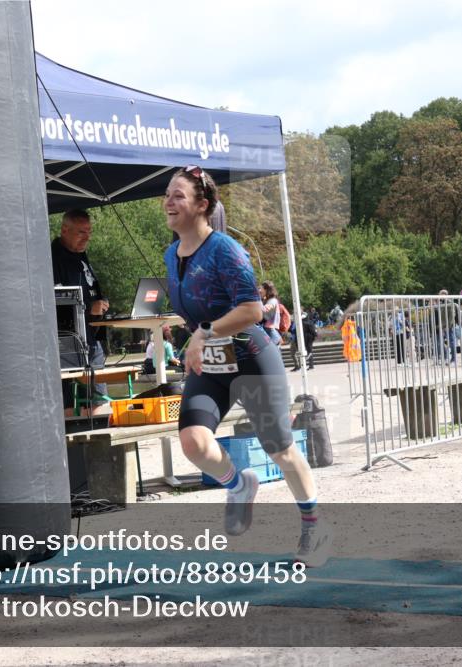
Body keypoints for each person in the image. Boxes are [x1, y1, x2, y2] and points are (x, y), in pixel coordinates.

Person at [162, 165, 330, 566]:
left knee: (281, 449)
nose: (169, 201)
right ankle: (238, 484)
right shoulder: (171, 254)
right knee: (193, 443)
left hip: (251, 358)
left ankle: (314, 529)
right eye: (167, 194)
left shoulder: (225, 249)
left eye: (179, 195)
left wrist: (204, 332)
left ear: (203, 206)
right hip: (211, 366)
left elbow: (253, 310)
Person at [52, 209, 110, 416]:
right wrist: (87, 307)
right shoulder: (52, 256)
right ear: (65, 230)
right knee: (66, 400)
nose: (87, 237)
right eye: (81, 232)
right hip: (66, 341)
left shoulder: (81, 254)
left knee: (100, 397)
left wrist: (102, 302)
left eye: (89, 232)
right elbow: (56, 300)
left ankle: (105, 439)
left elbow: (90, 286)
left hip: (92, 337)